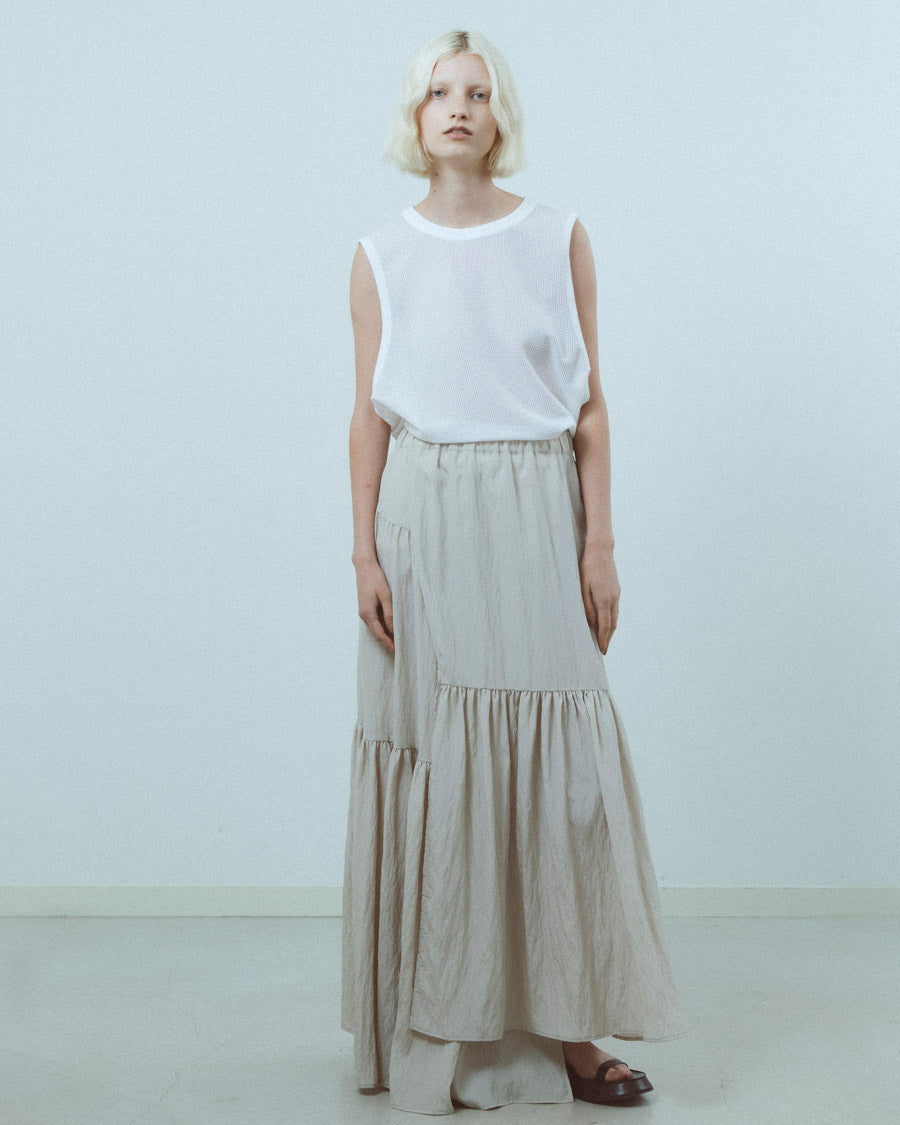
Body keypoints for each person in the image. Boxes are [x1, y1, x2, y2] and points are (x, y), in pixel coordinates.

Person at [341, 28, 688, 1116]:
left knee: (563, 768)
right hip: (425, 518)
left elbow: (590, 409)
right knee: (441, 760)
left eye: (478, 92)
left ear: (501, 115)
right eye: (439, 92)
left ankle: (572, 1033)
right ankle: (441, 1030)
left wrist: (600, 542)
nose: (459, 107)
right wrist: (364, 551)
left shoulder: (556, 236)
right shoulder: (380, 253)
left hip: (535, 509)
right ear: (416, 116)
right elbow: (369, 415)